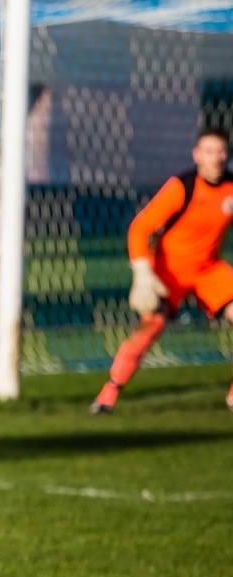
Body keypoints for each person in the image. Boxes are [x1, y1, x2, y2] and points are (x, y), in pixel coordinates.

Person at [92, 127, 233, 414]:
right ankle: (109, 393)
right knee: (150, 330)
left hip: (209, 269)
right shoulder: (182, 187)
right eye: (208, 151)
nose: (215, 158)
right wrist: (143, 273)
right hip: (168, 271)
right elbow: (139, 228)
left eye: (220, 151)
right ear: (196, 155)